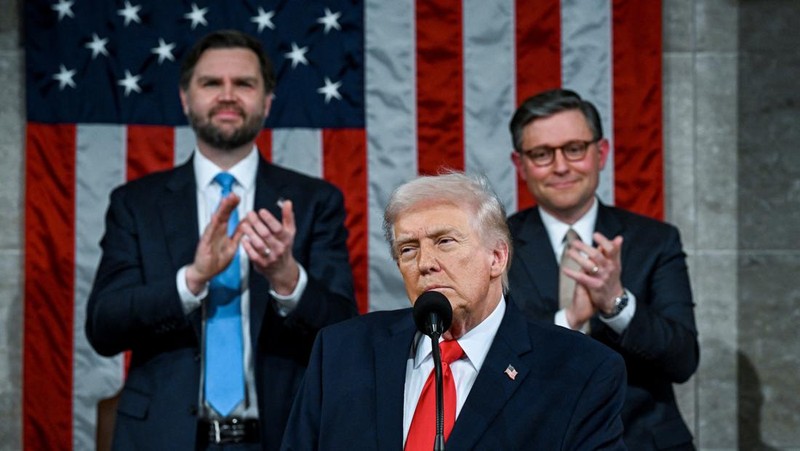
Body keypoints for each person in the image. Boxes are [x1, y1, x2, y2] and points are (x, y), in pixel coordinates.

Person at [85, 30, 358, 450]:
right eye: (212, 83)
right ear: (185, 99)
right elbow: (103, 327)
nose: (228, 95)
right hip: (163, 437)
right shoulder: (136, 204)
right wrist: (190, 280)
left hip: (282, 435)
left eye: (244, 84)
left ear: (266, 102)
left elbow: (344, 330)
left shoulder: (314, 201)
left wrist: (287, 279)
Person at [280, 171, 627, 450]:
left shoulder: (580, 370)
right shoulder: (341, 351)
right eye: (408, 249)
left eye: (445, 241)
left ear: (497, 257)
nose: (425, 263)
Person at [507, 88, 699, 450]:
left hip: (644, 440)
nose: (561, 166)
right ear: (520, 165)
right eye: (542, 154)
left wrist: (616, 303)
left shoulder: (656, 241)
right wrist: (569, 319)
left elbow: (683, 360)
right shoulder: (497, 247)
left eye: (574, 149)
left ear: (601, 153)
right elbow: (490, 357)